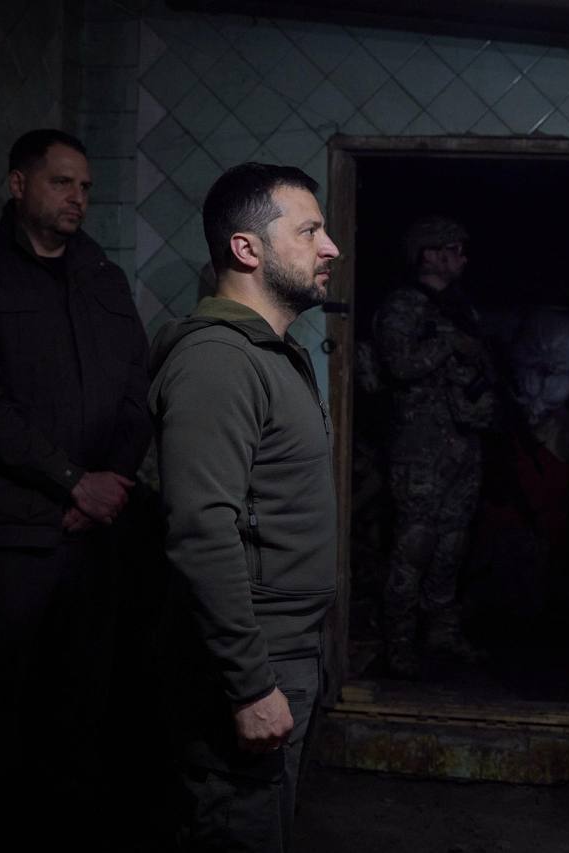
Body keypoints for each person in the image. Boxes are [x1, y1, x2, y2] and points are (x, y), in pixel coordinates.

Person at [0, 128, 151, 848]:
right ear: (19, 185)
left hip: (92, 543)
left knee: (78, 718)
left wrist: (111, 485)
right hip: (5, 544)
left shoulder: (102, 277)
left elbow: (136, 391)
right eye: (61, 182)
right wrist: (72, 483)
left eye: (85, 187)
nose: (78, 198)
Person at [149, 162, 339, 851]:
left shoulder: (271, 353)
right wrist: (250, 684)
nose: (330, 248)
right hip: (251, 659)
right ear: (246, 248)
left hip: (284, 649)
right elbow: (200, 530)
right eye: (310, 231)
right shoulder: (219, 361)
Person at [373, 215, 495, 678]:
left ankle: (442, 632)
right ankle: (398, 643)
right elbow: (399, 365)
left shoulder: (460, 306)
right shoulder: (404, 306)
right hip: (420, 445)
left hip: (462, 439)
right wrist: (449, 345)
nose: (463, 258)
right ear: (429, 255)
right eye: (453, 249)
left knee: (452, 543)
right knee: (415, 543)